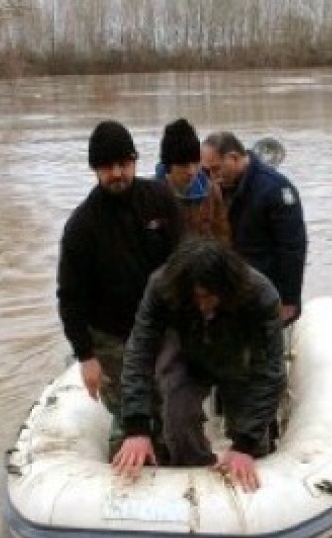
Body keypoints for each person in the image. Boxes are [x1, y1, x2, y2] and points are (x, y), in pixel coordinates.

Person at [113, 238, 286, 492]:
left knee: (251, 434)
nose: (203, 304)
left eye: (209, 296)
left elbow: (269, 371)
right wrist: (136, 426)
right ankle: (195, 475)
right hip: (188, 353)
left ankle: (250, 470)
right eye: (196, 297)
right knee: (177, 419)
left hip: (240, 358)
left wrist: (245, 444)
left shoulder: (260, 295)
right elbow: (140, 350)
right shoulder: (162, 287)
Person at [57, 120, 184, 455]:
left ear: (134, 162)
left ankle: (172, 453)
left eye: (123, 164)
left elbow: (184, 259)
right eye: (106, 167)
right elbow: (69, 296)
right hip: (111, 335)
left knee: (170, 405)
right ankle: (126, 458)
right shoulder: (81, 226)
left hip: (163, 325)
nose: (116, 173)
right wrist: (86, 356)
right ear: (95, 170)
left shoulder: (160, 199)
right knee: (131, 414)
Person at [202, 131, 308, 325]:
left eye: (216, 169)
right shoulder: (217, 189)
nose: (213, 176)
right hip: (231, 293)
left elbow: (292, 248)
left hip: (267, 292)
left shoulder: (275, 189)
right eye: (207, 171)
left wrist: (289, 299)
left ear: (233, 158)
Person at [155, 118, 230, 246]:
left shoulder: (211, 190)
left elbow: (223, 236)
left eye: (195, 163)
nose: (191, 171)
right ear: (168, 165)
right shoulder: (152, 196)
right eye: (183, 165)